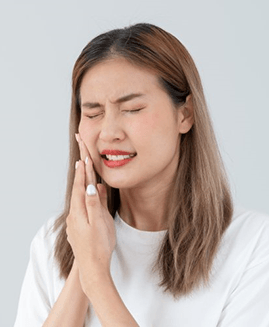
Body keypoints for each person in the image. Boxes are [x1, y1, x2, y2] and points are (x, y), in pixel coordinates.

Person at [14, 23, 269, 327]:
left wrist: (96, 277)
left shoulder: (253, 245)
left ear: (185, 114)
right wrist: (83, 261)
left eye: (132, 109)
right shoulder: (54, 242)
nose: (109, 133)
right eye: (93, 113)